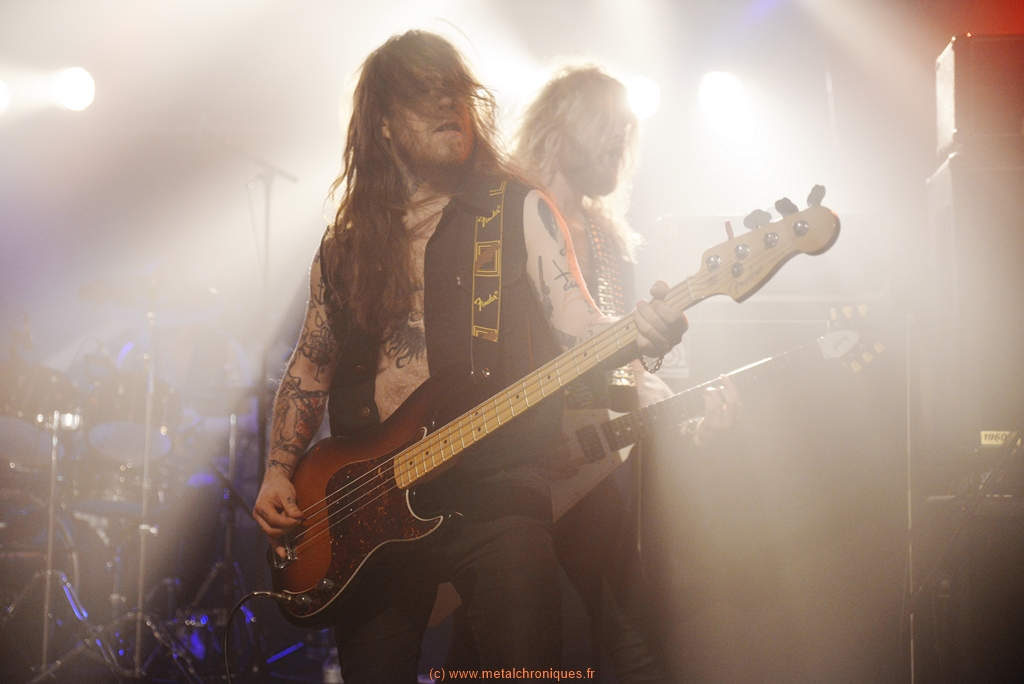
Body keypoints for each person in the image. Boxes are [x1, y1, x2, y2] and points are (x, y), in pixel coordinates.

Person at [251, 33, 688, 683]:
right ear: (383, 123)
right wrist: (277, 472)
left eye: (455, 91)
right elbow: (310, 367)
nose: (447, 105)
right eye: (424, 94)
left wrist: (640, 332)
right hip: (368, 510)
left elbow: (577, 321)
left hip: (497, 489)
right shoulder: (345, 245)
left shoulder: (518, 210)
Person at [445, 65, 740, 682]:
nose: (622, 141)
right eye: (610, 124)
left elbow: (614, 354)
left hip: (593, 464)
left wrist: (665, 393)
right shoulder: (505, 216)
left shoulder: (608, 237)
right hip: (514, 465)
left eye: (629, 130)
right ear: (564, 122)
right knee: (497, 644)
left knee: (636, 641)